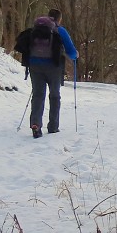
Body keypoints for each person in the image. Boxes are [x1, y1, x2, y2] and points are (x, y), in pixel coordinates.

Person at [17, 10, 78, 138]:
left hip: (34, 65)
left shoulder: (35, 29)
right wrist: (75, 55)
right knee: (55, 96)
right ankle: (53, 127)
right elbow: (71, 52)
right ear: (59, 19)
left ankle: (36, 124)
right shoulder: (60, 30)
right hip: (53, 67)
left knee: (38, 95)